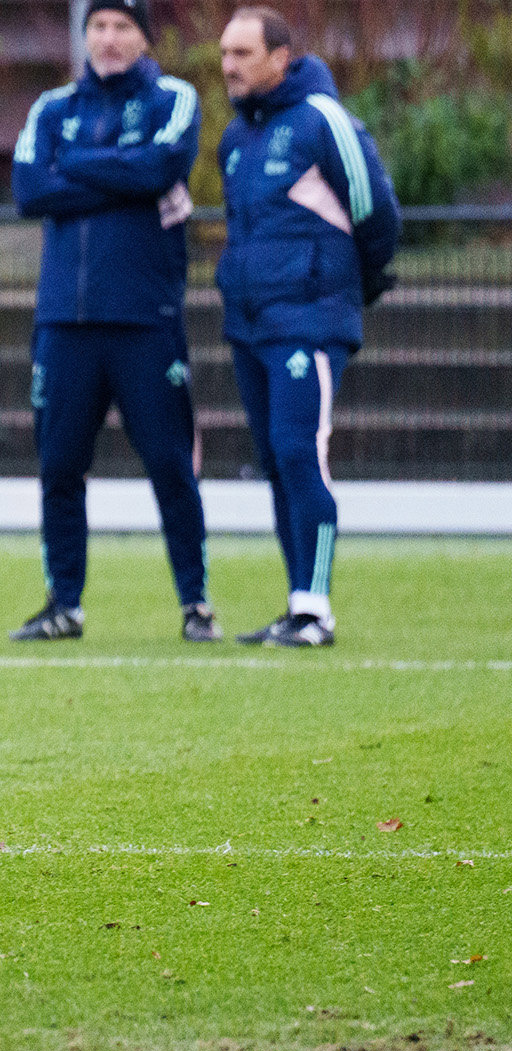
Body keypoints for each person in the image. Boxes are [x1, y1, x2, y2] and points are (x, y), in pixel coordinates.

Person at [9, 0, 218, 643]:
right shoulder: (51, 107)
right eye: (97, 26)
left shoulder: (172, 98)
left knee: (168, 463)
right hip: (64, 322)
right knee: (60, 466)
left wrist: (73, 166)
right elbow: (28, 192)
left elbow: (164, 165)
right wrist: (127, 181)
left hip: (143, 319)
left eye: (122, 26)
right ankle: (63, 604)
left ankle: (195, 603)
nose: (108, 38)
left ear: (144, 37)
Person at [216, 7, 400, 646]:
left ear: (280, 57)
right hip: (250, 324)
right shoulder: (237, 140)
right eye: (225, 55)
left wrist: (355, 287)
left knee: (300, 452)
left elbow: (376, 212)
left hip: (310, 320)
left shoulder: (324, 119)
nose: (229, 67)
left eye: (242, 54)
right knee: (275, 460)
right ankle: (298, 603)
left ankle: (315, 610)